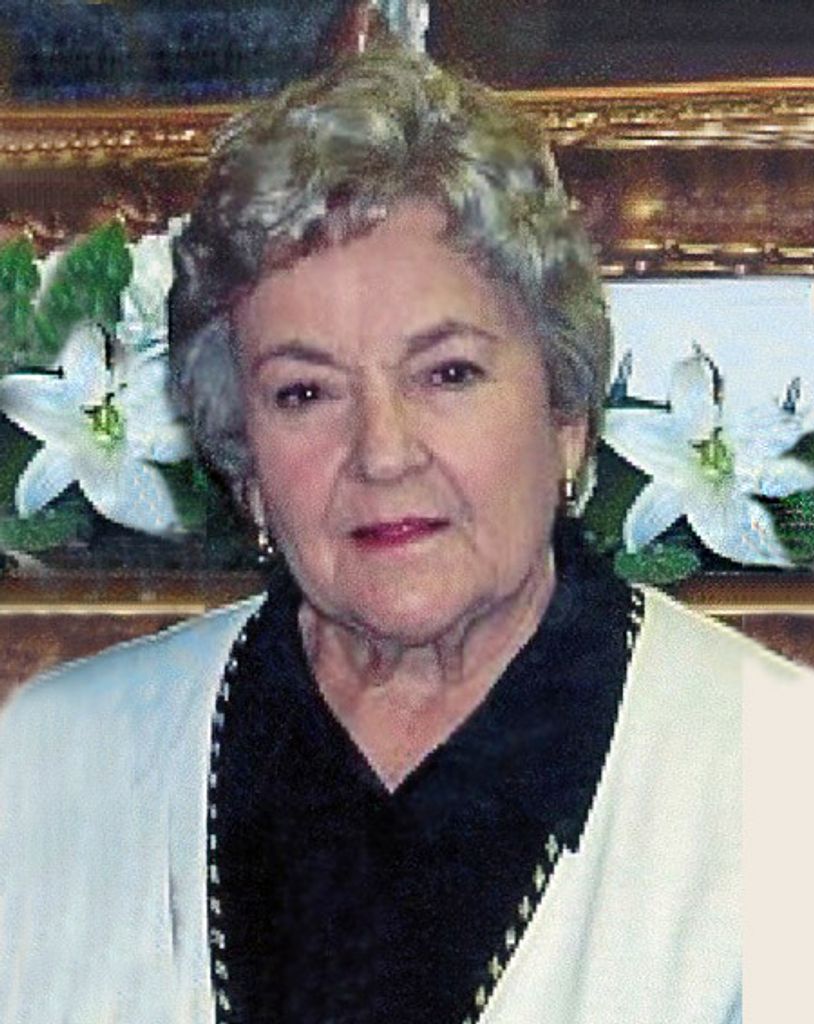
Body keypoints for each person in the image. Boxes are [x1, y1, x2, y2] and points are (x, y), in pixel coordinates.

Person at [0, 44, 800, 1024]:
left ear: (564, 415)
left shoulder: (782, 778)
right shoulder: (56, 761)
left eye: (447, 373)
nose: (381, 453)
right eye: (305, 392)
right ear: (244, 462)